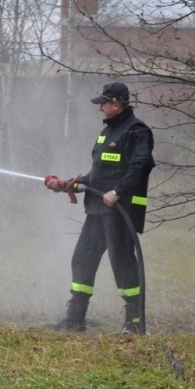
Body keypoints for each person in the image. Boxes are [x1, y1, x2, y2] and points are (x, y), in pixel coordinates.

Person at [44, 82, 155, 333]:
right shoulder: (108, 133)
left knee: (123, 263)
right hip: (97, 209)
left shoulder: (136, 131)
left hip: (120, 211)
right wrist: (67, 184)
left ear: (116, 104)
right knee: (82, 258)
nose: (100, 109)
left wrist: (118, 192)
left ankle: (134, 322)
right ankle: (75, 318)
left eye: (103, 104)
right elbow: (98, 176)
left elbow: (142, 165)